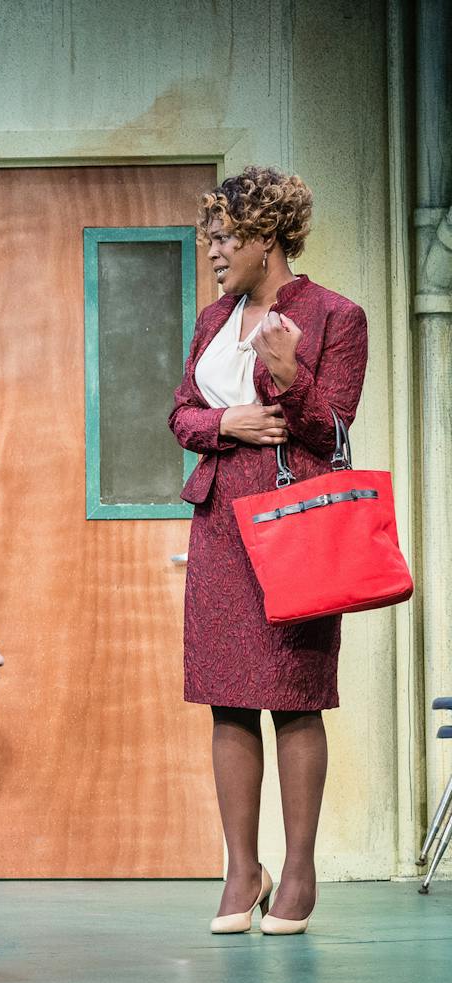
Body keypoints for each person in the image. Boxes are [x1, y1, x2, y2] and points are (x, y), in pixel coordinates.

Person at [171, 166, 368, 935]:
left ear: (269, 237)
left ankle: (299, 870)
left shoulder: (334, 315)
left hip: (297, 520)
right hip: (222, 523)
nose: (215, 251)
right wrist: (229, 426)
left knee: (295, 695)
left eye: (226, 237)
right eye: (210, 237)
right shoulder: (214, 317)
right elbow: (181, 413)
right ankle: (241, 867)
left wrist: (288, 377)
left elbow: (336, 430)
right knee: (227, 695)